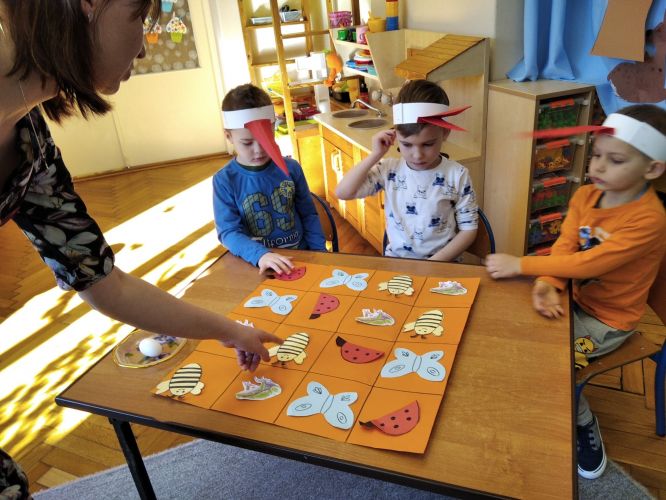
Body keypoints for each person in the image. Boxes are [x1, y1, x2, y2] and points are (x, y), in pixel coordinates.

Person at [0, 2, 281, 496]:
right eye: (141, 19)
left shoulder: (31, 137)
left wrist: (231, 330)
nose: (145, 47)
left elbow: (105, 284)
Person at [485, 104, 666, 480]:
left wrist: (522, 265)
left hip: (610, 319)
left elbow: (590, 264)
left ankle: (584, 422)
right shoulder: (585, 196)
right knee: (510, 331)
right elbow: (566, 245)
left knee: (553, 365)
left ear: (652, 169)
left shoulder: (649, 218)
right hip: (574, 297)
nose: (598, 166)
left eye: (615, 160)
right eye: (596, 155)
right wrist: (549, 283)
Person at [335, 79, 478, 260]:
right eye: (407, 144)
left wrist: (432, 264)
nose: (417, 155)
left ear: (445, 133)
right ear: (395, 136)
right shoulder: (389, 170)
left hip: (443, 265)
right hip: (398, 263)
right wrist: (375, 155)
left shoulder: (457, 175)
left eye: (428, 144)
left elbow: (469, 229)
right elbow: (343, 192)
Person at [213, 83, 326, 275]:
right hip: (257, 263)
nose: (258, 150)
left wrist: (320, 253)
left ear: (274, 128)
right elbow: (228, 232)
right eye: (247, 143)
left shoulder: (292, 168)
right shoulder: (224, 180)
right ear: (228, 136)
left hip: (300, 258)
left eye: (266, 139)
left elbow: (308, 215)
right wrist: (260, 255)